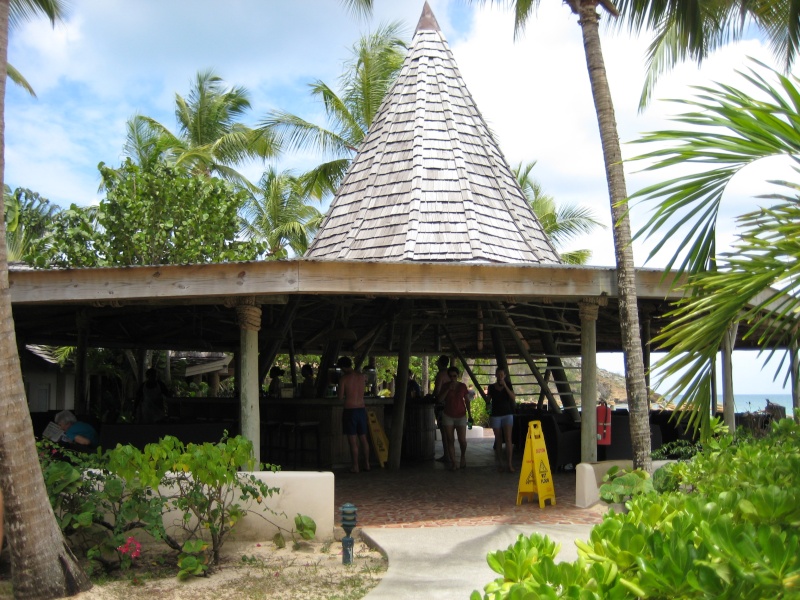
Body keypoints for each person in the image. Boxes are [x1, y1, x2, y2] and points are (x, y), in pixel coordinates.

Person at [337, 356, 370, 473]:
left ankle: (355, 466)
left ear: (342, 367)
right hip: (361, 409)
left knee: (352, 440)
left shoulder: (344, 379)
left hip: (350, 410)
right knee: (363, 439)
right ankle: (366, 464)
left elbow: (340, 397)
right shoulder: (362, 377)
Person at [438, 366, 471, 471]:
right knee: (450, 439)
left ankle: (462, 457)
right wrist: (448, 389)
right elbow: (439, 399)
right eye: (451, 376)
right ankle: (453, 462)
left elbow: (467, 400)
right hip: (448, 415)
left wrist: (470, 414)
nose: (453, 378)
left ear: (458, 376)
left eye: (455, 376)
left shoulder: (462, 386)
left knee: (462, 440)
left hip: (461, 415)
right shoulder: (445, 386)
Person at [486, 367, 517, 472]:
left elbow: (513, 397)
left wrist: (505, 386)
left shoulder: (508, 384)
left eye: (501, 375)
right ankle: (500, 463)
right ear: (495, 375)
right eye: (498, 375)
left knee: (508, 439)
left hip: (507, 414)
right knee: (498, 439)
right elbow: (488, 400)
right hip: (495, 415)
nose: (500, 377)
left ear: (504, 376)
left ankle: (509, 463)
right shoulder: (491, 387)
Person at [432, 355, 450, 462]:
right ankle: (449, 454)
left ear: (440, 363)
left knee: (444, 431)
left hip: (442, 405)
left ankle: (447, 455)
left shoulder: (441, 375)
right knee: (449, 431)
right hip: (450, 404)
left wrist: (431, 396)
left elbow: (437, 391)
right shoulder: (450, 374)